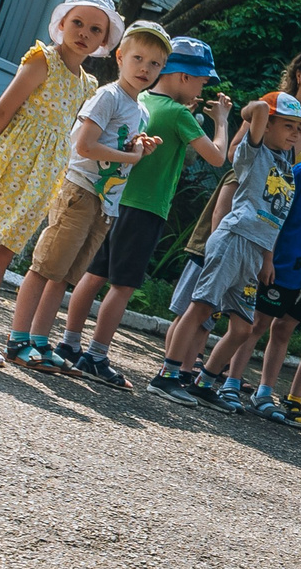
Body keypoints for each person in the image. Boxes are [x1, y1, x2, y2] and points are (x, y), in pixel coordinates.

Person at [0, 0, 117, 366]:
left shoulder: (86, 84)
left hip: (41, 176)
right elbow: (3, 110)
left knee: (3, 253)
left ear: (103, 40)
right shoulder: (42, 61)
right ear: (61, 23)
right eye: (77, 23)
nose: (84, 33)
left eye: (95, 29)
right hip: (9, 165)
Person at [160, 119, 301, 412]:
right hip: (274, 263)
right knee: (245, 321)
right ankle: (213, 379)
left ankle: (237, 388)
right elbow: (276, 214)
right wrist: (268, 258)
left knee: (270, 330)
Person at [60, 37, 233, 388]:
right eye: (202, 80)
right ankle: (96, 355)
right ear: (184, 77)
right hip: (146, 209)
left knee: (93, 275)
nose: (204, 87)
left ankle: (70, 343)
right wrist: (221, 121)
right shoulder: (180, 114)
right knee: (122, 286)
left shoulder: (145, 103)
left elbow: (183, 157)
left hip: (113, 199)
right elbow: (217, 157)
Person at [3, 20, 168, 371]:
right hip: (80, 189)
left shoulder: (141, 110)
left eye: (155, 63)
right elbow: (85, 145)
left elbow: (115, 144)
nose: (145, 69)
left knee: (63, 277)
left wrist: (137, 146)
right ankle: (18, 339)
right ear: (120, 57)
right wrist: (131, 156)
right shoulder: (108, 95)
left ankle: (40, 341)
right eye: (138, 58)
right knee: (45, 267)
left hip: (105, 202)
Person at [176, 45, 301, 313]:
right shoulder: (273, 103)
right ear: (298, 74)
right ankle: (185, 338)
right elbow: (235, 152)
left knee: (249, 304)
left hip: (282, 207)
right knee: (207, 284)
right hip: (246, 191)